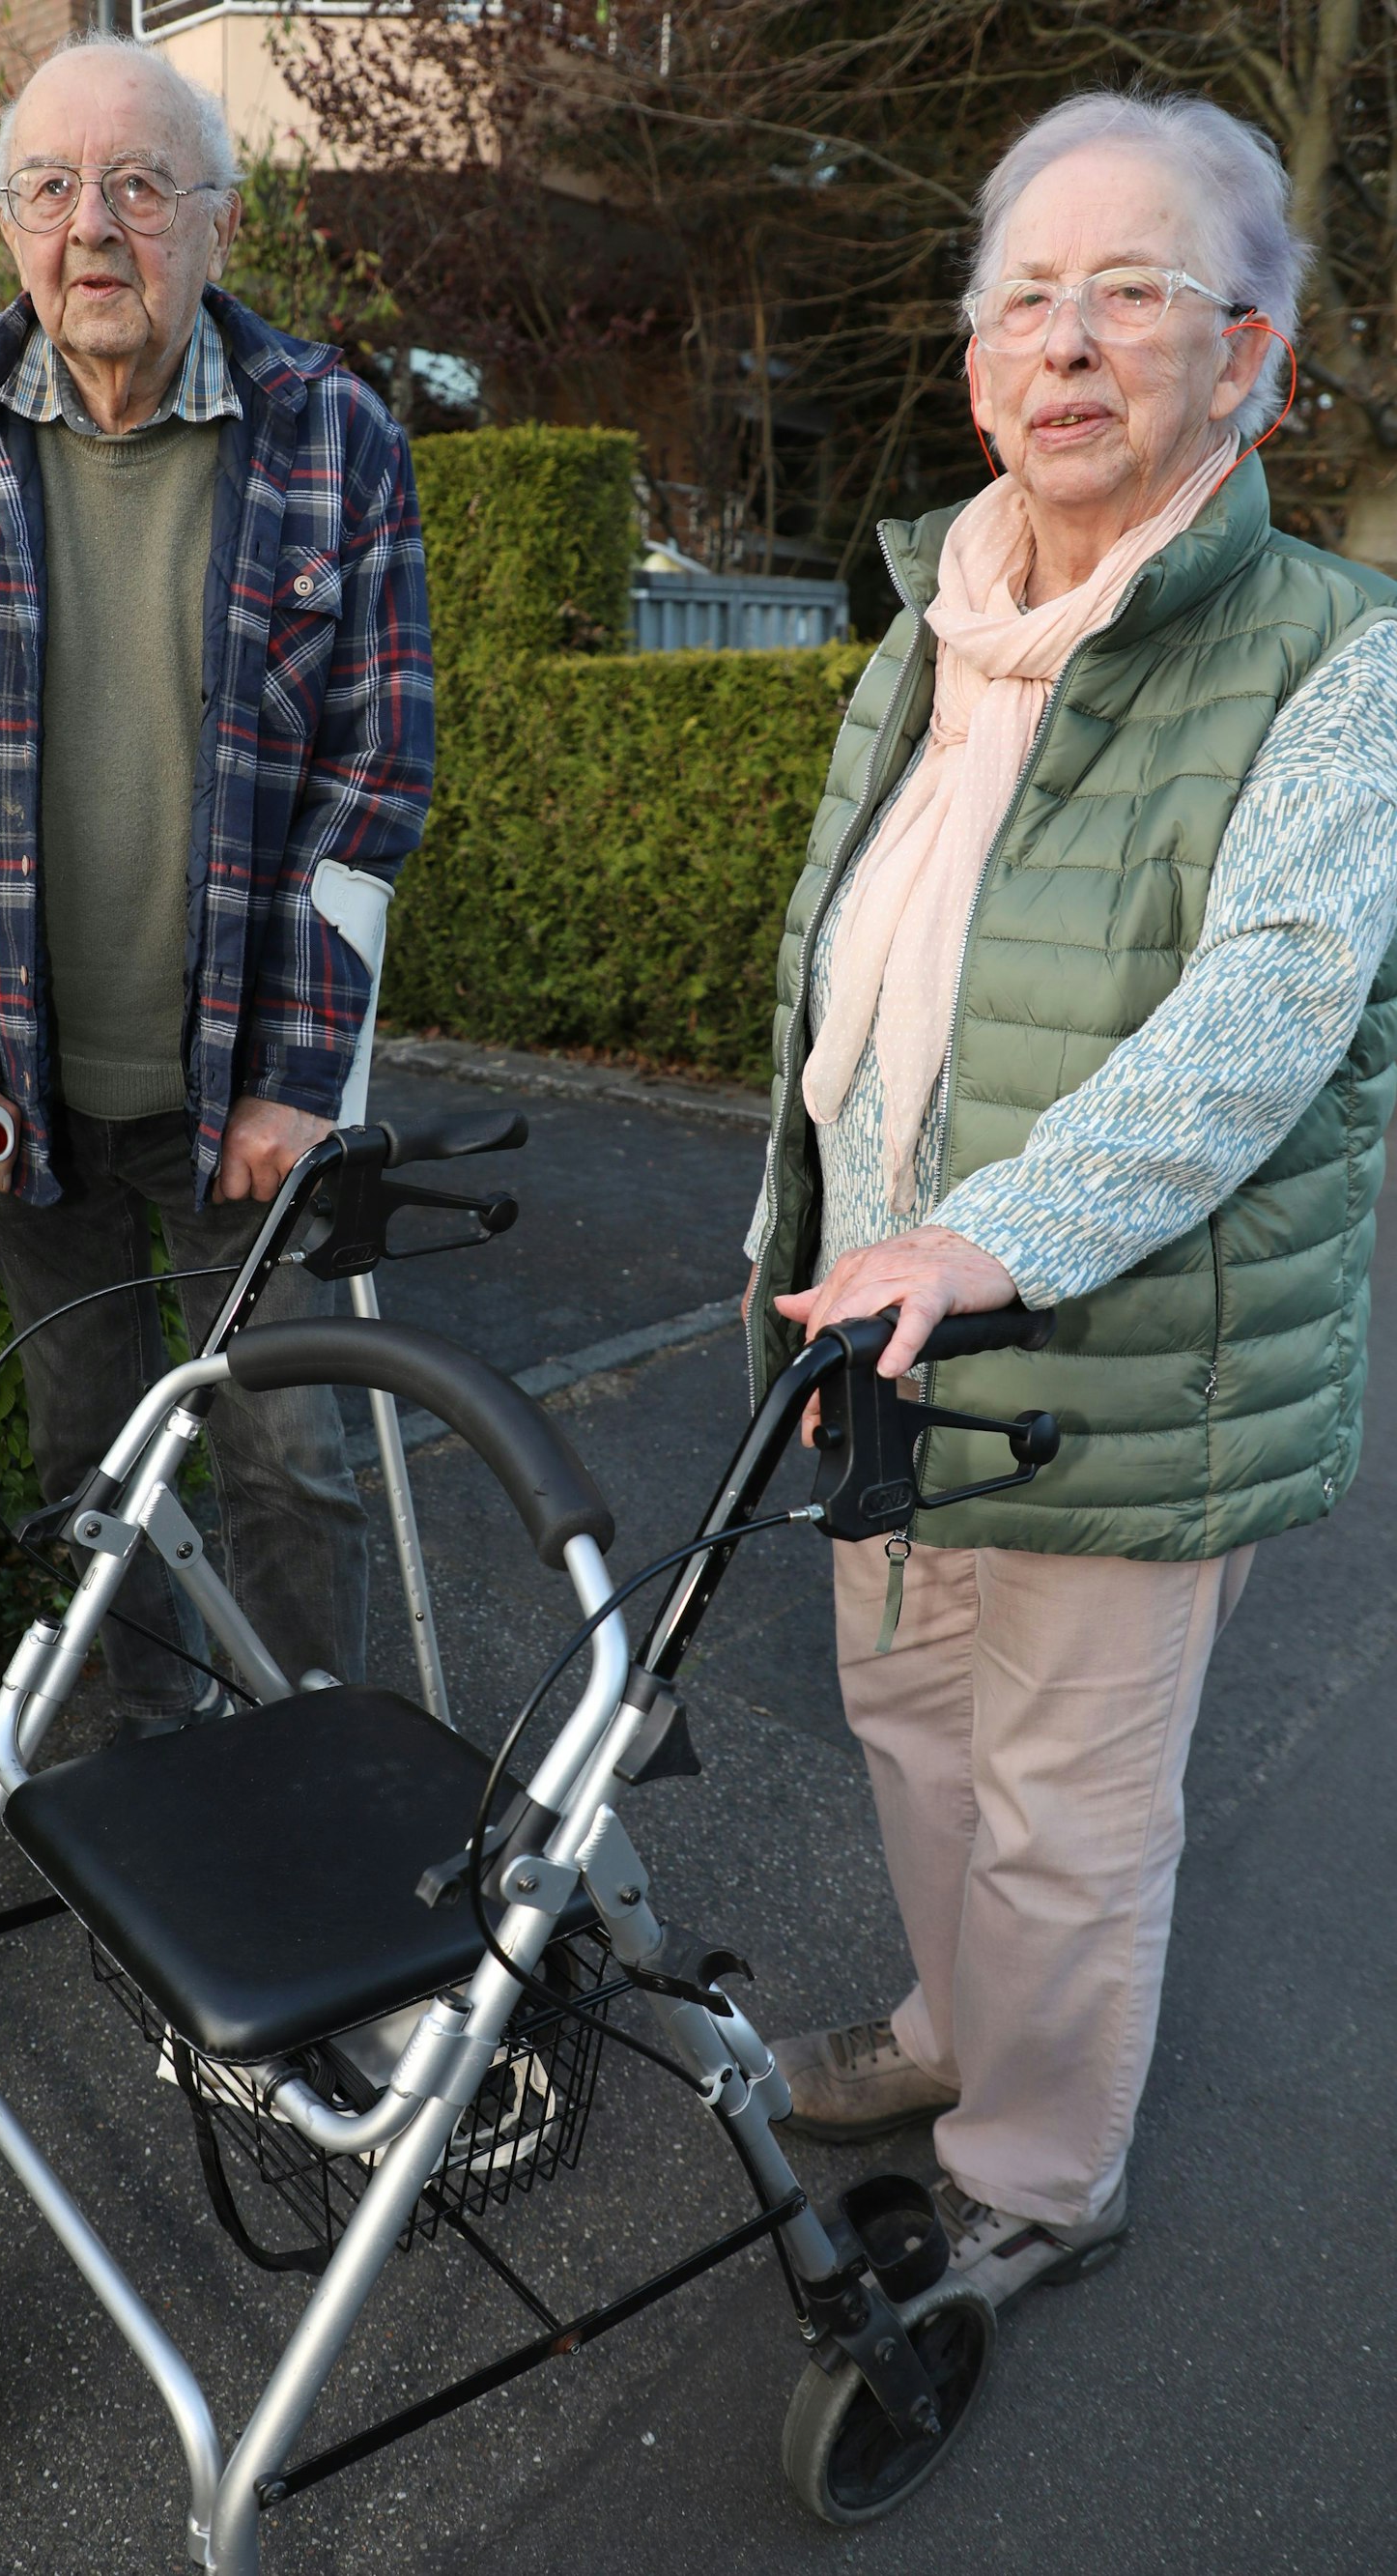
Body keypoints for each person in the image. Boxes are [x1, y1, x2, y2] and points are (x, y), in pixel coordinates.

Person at [744, 89, 1397, 2308]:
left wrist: (991, 1239)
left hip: (1109, 1358)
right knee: (915, 1733)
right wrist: (831, 1238)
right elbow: (854, 974)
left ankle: (1031, 2177)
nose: (1071, 340)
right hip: (881, 1324)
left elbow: (1266, 1013)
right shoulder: (930, 625)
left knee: (1064, 1806)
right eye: (1027, 297)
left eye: (1134, 290)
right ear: (971, 370)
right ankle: (957, 2029)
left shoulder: (1333, 653)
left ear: (1248, 359)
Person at [0, 32, 432, 1726]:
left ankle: (306, 1773)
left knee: (291, 1456)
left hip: (250, 1090)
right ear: (10, 223)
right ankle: (149, 1769)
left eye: (140, 185)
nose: (92, 224)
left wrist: (299, 1078)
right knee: (85, 1462)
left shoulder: (333, 437)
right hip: (24, 1086)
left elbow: (375, 778)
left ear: (219, 221)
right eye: (51, 188)